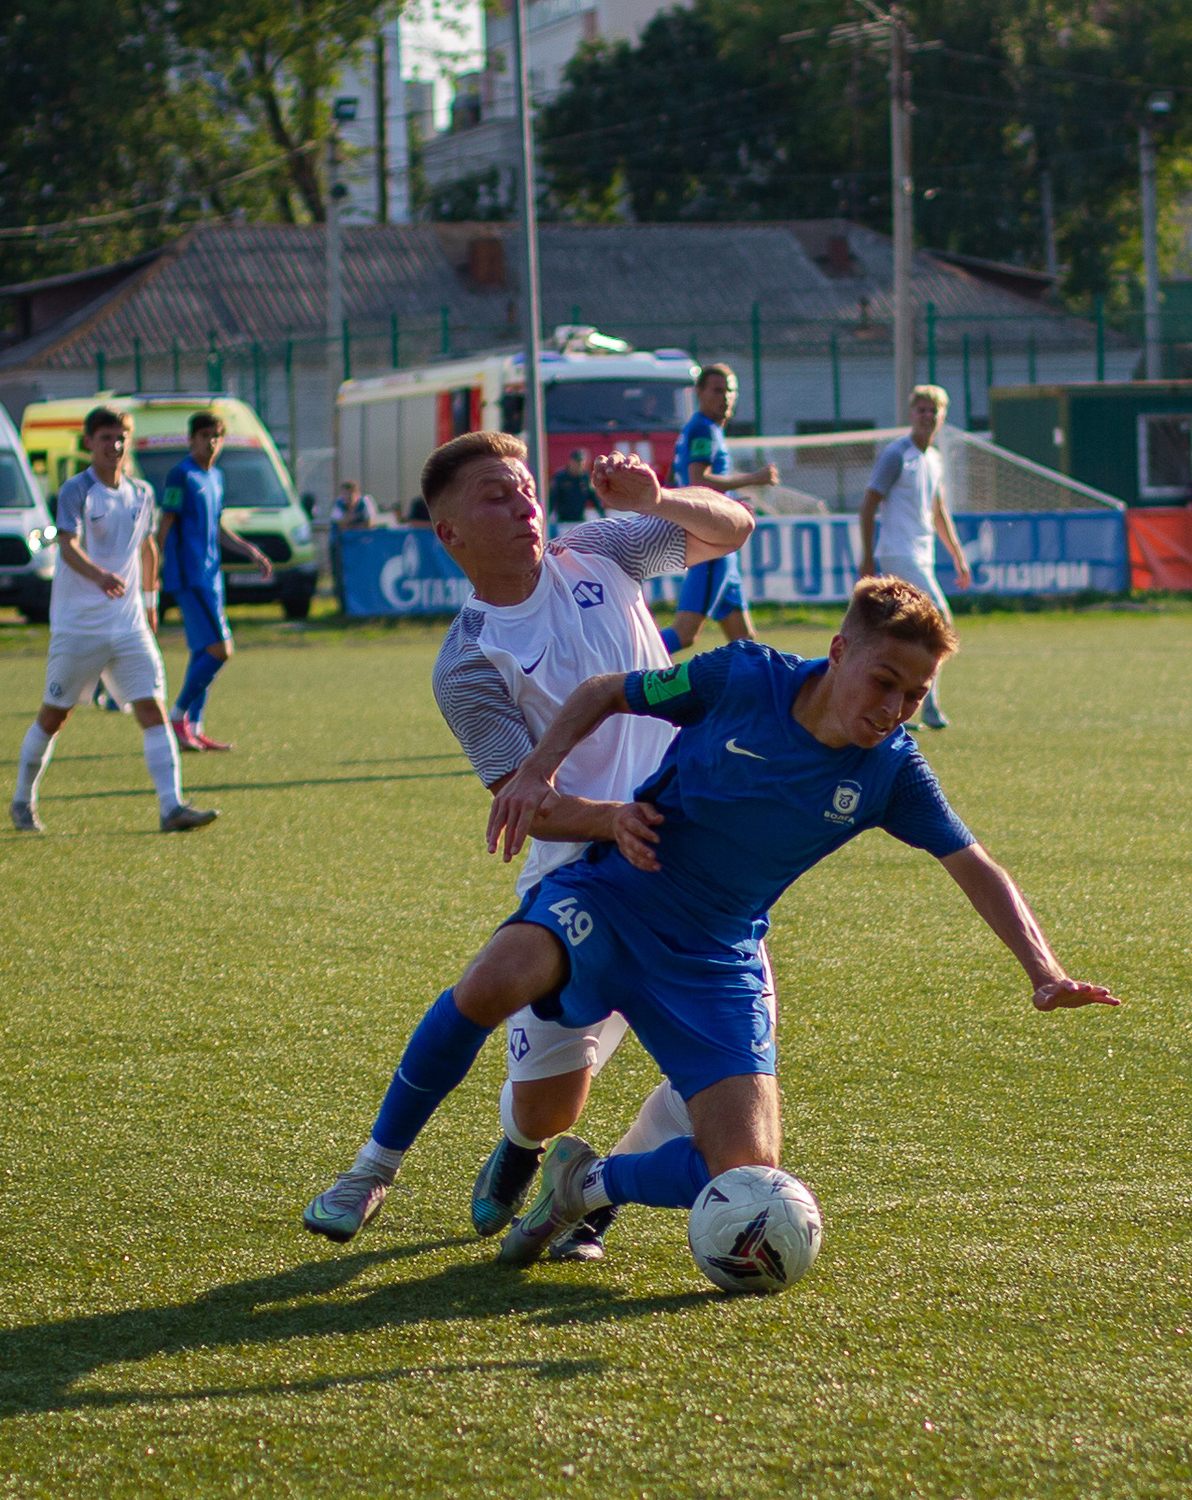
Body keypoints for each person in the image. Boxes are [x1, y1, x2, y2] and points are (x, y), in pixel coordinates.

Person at [300, 577, 1115, 1268]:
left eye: (916, 694)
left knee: (750, 1173)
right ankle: (373, 1168)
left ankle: (586, 1187)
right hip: (618, 894)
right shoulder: (742, 677)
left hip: (716, 954)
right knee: (492, 982)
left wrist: (1043, 971)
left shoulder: (891, 772)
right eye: (885, 680)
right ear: (838, 652)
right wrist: (537, 774)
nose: (896, 707)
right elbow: (601, 692)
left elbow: (974, 863)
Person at [301, 431, 756, 1259]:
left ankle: (587, 1200)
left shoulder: (602, 549)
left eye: (525, 488)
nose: (523, 505)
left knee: (721, 1091)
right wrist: (614, 820)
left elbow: (732, 528)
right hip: (585, 869)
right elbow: (528, 806)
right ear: (450, 535)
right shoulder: (469, 659)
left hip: (697, 866)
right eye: (495, 496)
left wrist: (655, 500)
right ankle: (510, 1147)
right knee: (548, 1103)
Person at [11, 405, 219, 836]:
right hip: (79, 628)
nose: (115, 445)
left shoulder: (141, 492)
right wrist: (99, 575)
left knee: (153, 709)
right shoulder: (76, 491)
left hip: (127, 626)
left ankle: (171, 807)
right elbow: (66, 546)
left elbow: (148, 549)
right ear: (90, 442)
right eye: (106, 437)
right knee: (54, 717)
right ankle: (22, 800)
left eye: (121, 437)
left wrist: (149, 602)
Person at [152, 411, 274, 754]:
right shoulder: (181, 475)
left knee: (202, 652)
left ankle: (195, 726)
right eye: (205, 435)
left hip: (212, 575)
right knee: (221, 650)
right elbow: (167, 522)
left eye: (217, 436)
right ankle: (176, 717)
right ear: (192, 439)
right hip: (190, 576)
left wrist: (250, 550)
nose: (212, 442)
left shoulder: (216, 476)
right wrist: (155, 569)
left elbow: (216, 527)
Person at [857, 385, 971, 730]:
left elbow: (937, 512)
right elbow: (868, 504)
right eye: (921, 410)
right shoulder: (897, 455)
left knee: (904, 634)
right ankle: (926, 706)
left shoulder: (933, 459)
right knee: (939, 620)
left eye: (932, 411)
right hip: (897, 553)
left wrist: (958, 556)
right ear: (911, 415)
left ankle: (898, 702)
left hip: (920, 556)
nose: (927, 416)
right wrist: (867, 558)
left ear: (942, 416)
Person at [659, 363, 779, 654]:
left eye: (730, 391)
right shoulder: (703, 428)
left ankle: (753, 698)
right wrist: (754, 478)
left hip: (721, 545)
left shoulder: (706, 428)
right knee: (684, 633)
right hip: (712, 543)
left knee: (745, 641)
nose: (725, 397)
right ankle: (616, 663)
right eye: (716, 390)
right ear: (699, 392)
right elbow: (698, 479)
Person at [548, 448, 602, 527]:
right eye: (577, 463)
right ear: (571, 462)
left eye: (581, 463)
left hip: (579, 521)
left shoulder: (585, 478)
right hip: (563, 522)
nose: (579, 466)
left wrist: (603, 515)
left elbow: (593, 498)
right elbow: (552, 499)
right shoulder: (560, 477)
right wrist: (546, 518)